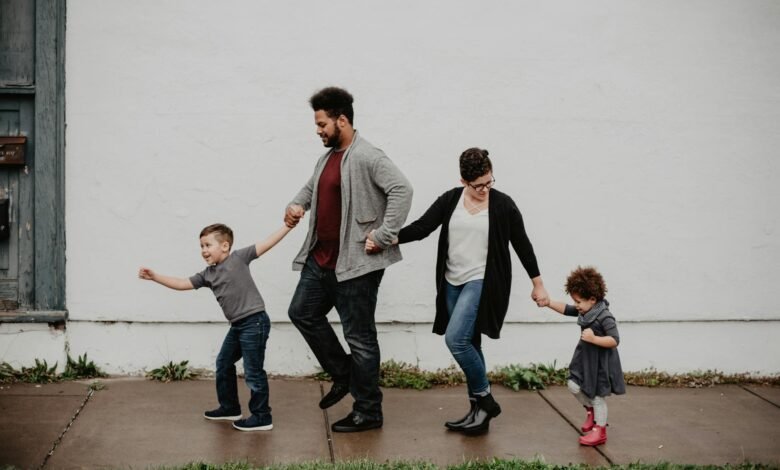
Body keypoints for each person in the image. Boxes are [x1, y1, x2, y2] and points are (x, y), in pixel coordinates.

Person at [367, 147, 549, 435]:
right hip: (452, 282)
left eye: (490, 182)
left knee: (456, 341)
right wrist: (385, 239)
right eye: (479, 185)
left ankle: (486, 400)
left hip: (482, 281)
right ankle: (478, 413)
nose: (485, 189)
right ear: (464, 181)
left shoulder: (503, 205)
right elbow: (422, 227)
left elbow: (522, 244)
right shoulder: (451, 200)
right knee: (471, 343)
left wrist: (537, 283)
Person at [284, 86, 413, 432]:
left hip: (355, 266)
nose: (318, 130)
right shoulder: (327, 157)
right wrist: (296, 205)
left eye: (322, 124)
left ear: (342, 120)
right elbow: (312, 188)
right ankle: (344, 375)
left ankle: (368, 411)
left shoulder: (368, 156)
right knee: (301, 312)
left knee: (360, 338)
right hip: (321, 261)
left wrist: (384, 235)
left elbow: (403, 189)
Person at [138, 223, 292, 432]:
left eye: (208, 245)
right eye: (201, 246)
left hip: (254, 322)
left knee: (253, 372)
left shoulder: (239, 258)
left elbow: (267, 243)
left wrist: (288, 226)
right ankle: (229, 407)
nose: (203, 251)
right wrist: (155, 277)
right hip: (238, 325)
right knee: (224, 362)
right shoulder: (207, 275)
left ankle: (262, 416)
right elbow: (182, 283)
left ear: (225, 246)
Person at [538, 266, 625, 446]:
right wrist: (548, 302)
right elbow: (566, 309)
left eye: (578, 301)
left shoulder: (605, 316)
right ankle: (590, 411)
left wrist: (594, 339)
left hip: (600, 363)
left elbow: (614, 340)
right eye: (575, 301)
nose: (576, 305)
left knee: (597, 396)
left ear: (592, 299)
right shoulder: (585, 311)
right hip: (585, 359)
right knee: (573, 384)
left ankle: (600, 431)